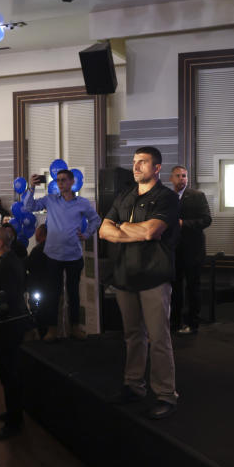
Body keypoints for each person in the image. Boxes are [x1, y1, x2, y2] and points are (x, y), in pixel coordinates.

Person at [99, 147, 180, 420]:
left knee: (158, 339)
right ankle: (134, 386)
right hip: (125, 276)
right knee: (133, 336)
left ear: (157, 167)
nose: (136, 167)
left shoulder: (166, 198)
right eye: (134, 163)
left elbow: (151, 232)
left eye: (142, 163)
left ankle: (166, 395)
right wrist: (130, 231)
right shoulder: (125, 195)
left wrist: (121, 229)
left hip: (153, 277)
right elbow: (103, 230)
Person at [23, 169, 101, 341]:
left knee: (74, 293)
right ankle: (52, 329)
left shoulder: (82, 202)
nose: (60, 183)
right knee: (52, 293)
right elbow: (28, 207)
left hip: (73, 255)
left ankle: (75, 327)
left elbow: (96, 219)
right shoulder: (50, 200)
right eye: (58, 180)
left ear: (72, 182)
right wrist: (31, 188)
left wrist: (87, 234)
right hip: (53, 255)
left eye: (64, 180)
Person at [0, 225, 29, 440]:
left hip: (8, 323)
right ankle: (12, 413)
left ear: (1, 242)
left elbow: (7, 295)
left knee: (10, 372)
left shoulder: (9, 264)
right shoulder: (7, 261)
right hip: (5, 322)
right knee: (5, 371)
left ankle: (14, 421)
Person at [168, 166, 211, 336]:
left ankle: (193, 324)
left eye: (184, 176)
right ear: (171, 178)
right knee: (175, 288)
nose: (182, 179)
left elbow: (207, 220)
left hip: (193, 251)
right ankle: (174, 323)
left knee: (193, 288)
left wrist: (183, 224)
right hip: (173, 251)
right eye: (178, 176)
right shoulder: (167, 197)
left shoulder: (197, 196)